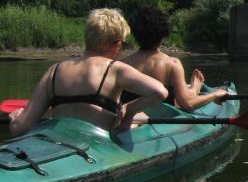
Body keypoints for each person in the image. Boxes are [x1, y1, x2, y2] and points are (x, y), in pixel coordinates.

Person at [9, 8, 168, 137]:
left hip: (58, 142)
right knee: (142, 117)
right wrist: (129, 110)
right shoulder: (115, 69)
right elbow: (159, 92)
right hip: (96, 148)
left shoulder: (54, 71)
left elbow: (18, 129)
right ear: (117, 45)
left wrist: (16, 119)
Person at [122, 6, 228, 110]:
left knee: (185, 94)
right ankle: (193, 90)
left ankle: (193, 90)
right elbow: (188, 104)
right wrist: (215, 94)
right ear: (164, 34)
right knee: (186, 96)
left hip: (131, 117)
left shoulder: (121, 64)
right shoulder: (172, 64)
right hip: (161, 117)